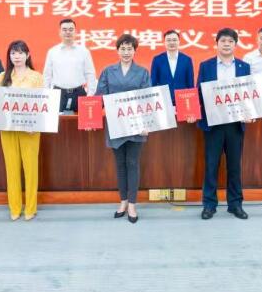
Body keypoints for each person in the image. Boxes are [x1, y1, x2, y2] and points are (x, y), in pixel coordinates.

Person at [0, 40, 43, 221]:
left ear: (27, 55)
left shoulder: (36, 77)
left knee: (31, 169)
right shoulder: (3, 76)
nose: (17, 56)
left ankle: (31, 208)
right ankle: (15, 207)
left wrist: (35, 125)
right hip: (7, 127)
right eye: (13, 53)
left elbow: (43, 103)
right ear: (9, 56)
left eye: (20, 53)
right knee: (11, 168)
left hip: (30, 129)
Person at [197, 28, 253, 221]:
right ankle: (209, 205)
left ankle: (235, 204)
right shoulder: (206, 66)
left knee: (234, 166)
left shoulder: (244, 67)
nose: (227, 44)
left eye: (230, 41)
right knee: (211, 165)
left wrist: (250, 113)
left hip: (235, 124)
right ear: (217, 44)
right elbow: (199, 92)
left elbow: (249, 94)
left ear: (235, 45)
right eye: (223, 41)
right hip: (213, 124)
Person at [95, 34, 150, 224]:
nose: (126, 52)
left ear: (135, 51)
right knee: (120, 165)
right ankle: (123, 202)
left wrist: (146, 124)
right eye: (123, 49)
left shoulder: (142, 72)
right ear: (117, 50)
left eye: (129, 49)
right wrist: (89, 118)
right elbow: (99, 97)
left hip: (136, 126)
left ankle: (133, 204)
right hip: (115, 125)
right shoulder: (108, 71)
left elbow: (147, 99)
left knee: (132, 163)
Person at [42, 18, 97, 112]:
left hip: (79, 93)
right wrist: (47, 95)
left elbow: (90, 74)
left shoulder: (84, 51)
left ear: (75, 32)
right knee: (57, 121)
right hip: (58, 94)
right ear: (60, 32)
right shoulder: (52, 52)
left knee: (80, 121)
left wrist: (90, 95)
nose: (68, 32)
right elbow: (47, 75)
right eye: (64, 29)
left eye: (71, 29)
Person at [150, 29, 195, 105]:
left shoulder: (187, 60)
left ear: (179, 42)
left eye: (174, 40)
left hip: (182, 101)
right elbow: (153, 83)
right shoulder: (157, 59)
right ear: (164, 42)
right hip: (163, 101)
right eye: (168, 40)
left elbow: (190, 84)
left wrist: (191, 103)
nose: (171, 43)